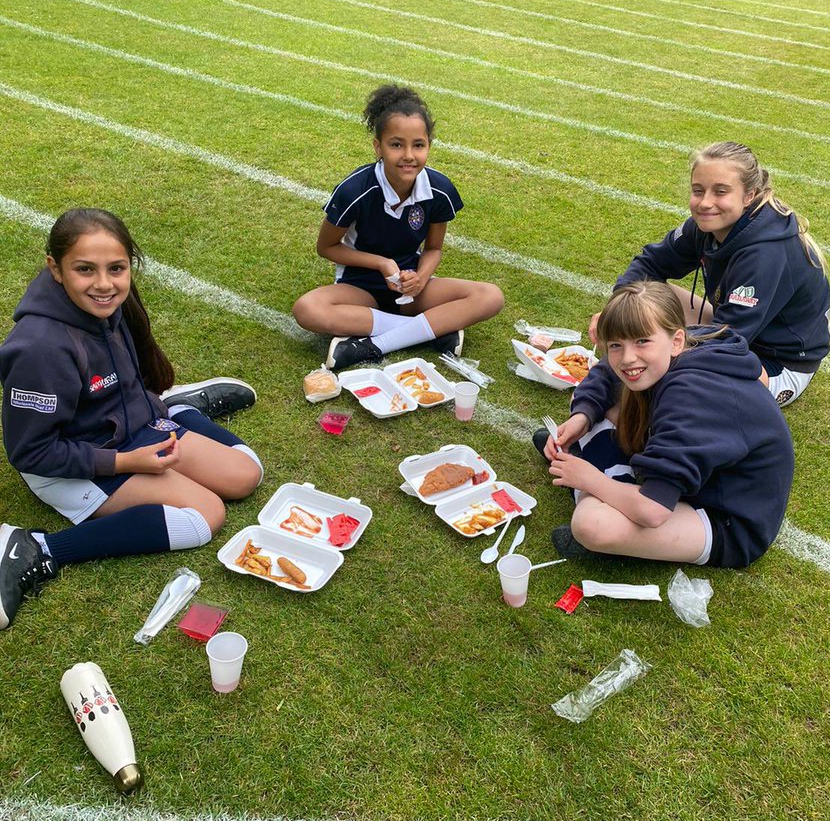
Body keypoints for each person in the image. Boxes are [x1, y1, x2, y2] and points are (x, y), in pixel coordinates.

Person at [0, 208, 263, 631]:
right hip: (72, 462)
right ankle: (37, 548)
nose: (104, 284)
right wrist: (127, 463)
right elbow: (30, 452)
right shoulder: (39, 349)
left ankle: (174, 408)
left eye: (116, 268)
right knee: (204, 517)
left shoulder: (106, 305)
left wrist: (148, 412)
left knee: (246, 475)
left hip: (131, 427)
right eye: (85, 269)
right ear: (55, 268)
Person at [541, 282, 794, 567]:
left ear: (676, 340)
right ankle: (588, 456)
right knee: (595, 398)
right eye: (615, 345)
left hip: (725, 517)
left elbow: (653, 510)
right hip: (697, 478)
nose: (627, 357)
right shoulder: (687, 342)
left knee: (591, 524)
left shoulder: (692, 397)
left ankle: (588, 462)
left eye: (641, 341)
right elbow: (605, 372)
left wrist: (589, 480)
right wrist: (582, 417)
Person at [598, 141, 830, 406]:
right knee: (643, 295)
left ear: (749, 195)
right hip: (732, 328)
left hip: (777, 362)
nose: (705, 203)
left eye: (720, 191)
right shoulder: (707, 225)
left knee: (686, 383)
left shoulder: (766, 254)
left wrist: (654, 348)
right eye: (698, 190)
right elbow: (650, 263)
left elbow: (729, 340)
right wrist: (616, 312)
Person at [292, 84, 504, 372]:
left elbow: (434, 248)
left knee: (490, 296)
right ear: (378, 147)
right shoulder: (355, 189)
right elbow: (326, 247)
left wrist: (419, 278)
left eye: (418, 145)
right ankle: (430, 329)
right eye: (396, 144)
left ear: (429, 145)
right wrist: (380, 263)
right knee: (307, 309)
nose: (408, 155)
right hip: (360, 287)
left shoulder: (439, 190)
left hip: (411, 287)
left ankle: (374, 345)